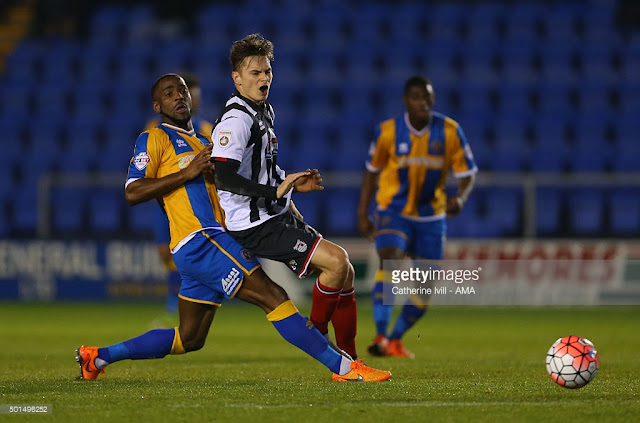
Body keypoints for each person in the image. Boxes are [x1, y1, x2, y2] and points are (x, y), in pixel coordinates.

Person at [75, 74, 391, 383]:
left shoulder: (205, 142)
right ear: (157, 106)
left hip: (202, 246)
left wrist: (286, 189)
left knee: (189, 338)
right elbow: (132, 192)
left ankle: (98, 357)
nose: (179, 97)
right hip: (201, 239)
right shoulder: (154, 139)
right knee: (273, 296)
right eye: (169, 94)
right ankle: (345, 368)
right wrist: (186, 175)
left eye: (182, 91)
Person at [210, 34, 360, 361]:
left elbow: (264, 168)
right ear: (237, 78)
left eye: (267, 71)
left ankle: (350, 359)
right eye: (254, 73)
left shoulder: (264, 110)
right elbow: (223, 176)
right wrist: (273, 193)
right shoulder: (236, 120)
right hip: (254, 223)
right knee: (337, 262)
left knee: (345, 272)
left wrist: (290, 188)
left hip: (273, 213)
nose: (263, 78)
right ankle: (320, 342)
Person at [357, 75, 477, 358]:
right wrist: (363, 213)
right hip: (393, 210)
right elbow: (372, 173)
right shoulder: (387, 131)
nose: (423, 102)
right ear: (406, 101)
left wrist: (460, 197)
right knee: (390, 256)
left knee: (424, 287)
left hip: (431, 217)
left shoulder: (449, 131)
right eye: (416, 97)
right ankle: (381, 335)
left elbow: (468, 173)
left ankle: (395, 340)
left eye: (427, 97)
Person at [143, 73, 213, 327]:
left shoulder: (205, 129)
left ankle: (184, 302)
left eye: (190, 94)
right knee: (166, 252)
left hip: (191, 204)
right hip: (163, 201)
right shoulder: (154, 129)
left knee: (186, 252)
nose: (185, 99)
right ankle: (176, 300)